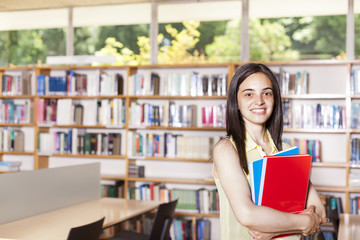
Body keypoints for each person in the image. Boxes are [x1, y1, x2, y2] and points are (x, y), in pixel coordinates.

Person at [213, 63, 327, 240]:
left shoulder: (288, 150)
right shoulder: (227, 149)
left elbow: (319, 211)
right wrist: (304, 223)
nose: (259, 101)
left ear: (275, 99)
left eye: (266, 93)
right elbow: (247, 214)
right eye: (249, 94)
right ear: (236, 101)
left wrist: (273, 230)